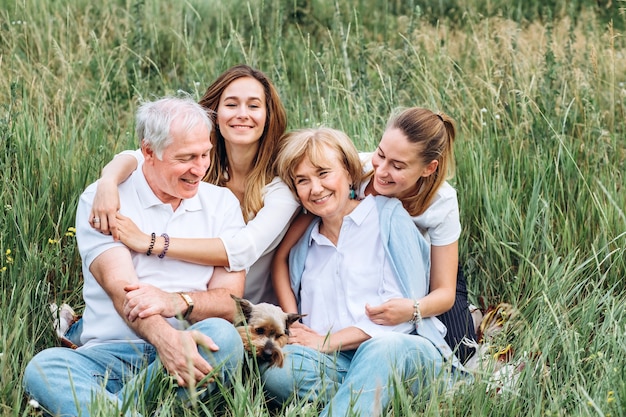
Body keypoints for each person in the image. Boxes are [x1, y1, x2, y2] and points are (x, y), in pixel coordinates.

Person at [24, 96, 246, 416]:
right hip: (111, 356)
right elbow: (122, 291)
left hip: (190, 347)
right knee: (43, 368)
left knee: (223, 339)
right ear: (148, 152)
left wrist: (176, 303)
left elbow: (229, 302)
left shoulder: (222, 204)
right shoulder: (105, 200)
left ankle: (102, 407)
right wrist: (166, 339)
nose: (200, 168)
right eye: (186, 158)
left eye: (205, 153)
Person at [262, 127, 461, 417]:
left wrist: (325, 342)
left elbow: (397, 320)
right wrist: (295, 325)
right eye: (302, 181)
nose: (315, 188)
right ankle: (373, 397)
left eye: (323, 174)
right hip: (336, 361)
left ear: (348, 171)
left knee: (382, 350)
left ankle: (367, 396)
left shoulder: (389, 218)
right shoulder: (305, 239)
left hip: (403, 351)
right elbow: (278, 263)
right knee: (279, 370)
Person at [272, 107, 477, 364]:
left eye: (398, 166)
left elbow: (444, 291)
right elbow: (316, 203)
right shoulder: (353, 169)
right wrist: (296, 324)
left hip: (426, 273)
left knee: (461, 353)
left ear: (428, 168)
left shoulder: (441, 202)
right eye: (381, 154)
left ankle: (470, 315)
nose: (381, 171)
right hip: (364, 265)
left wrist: (412, 309)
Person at [90, 64, 299, 305]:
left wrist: (151, 242)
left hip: (248, 310)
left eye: (253, 106)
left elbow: (241, 251)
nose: (242, 113)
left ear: (268, 116)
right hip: (192, 299)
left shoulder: (280, 186)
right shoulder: (199, 163)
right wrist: (107, 182)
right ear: (215, 114)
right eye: (231, 105)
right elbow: (140, 155)